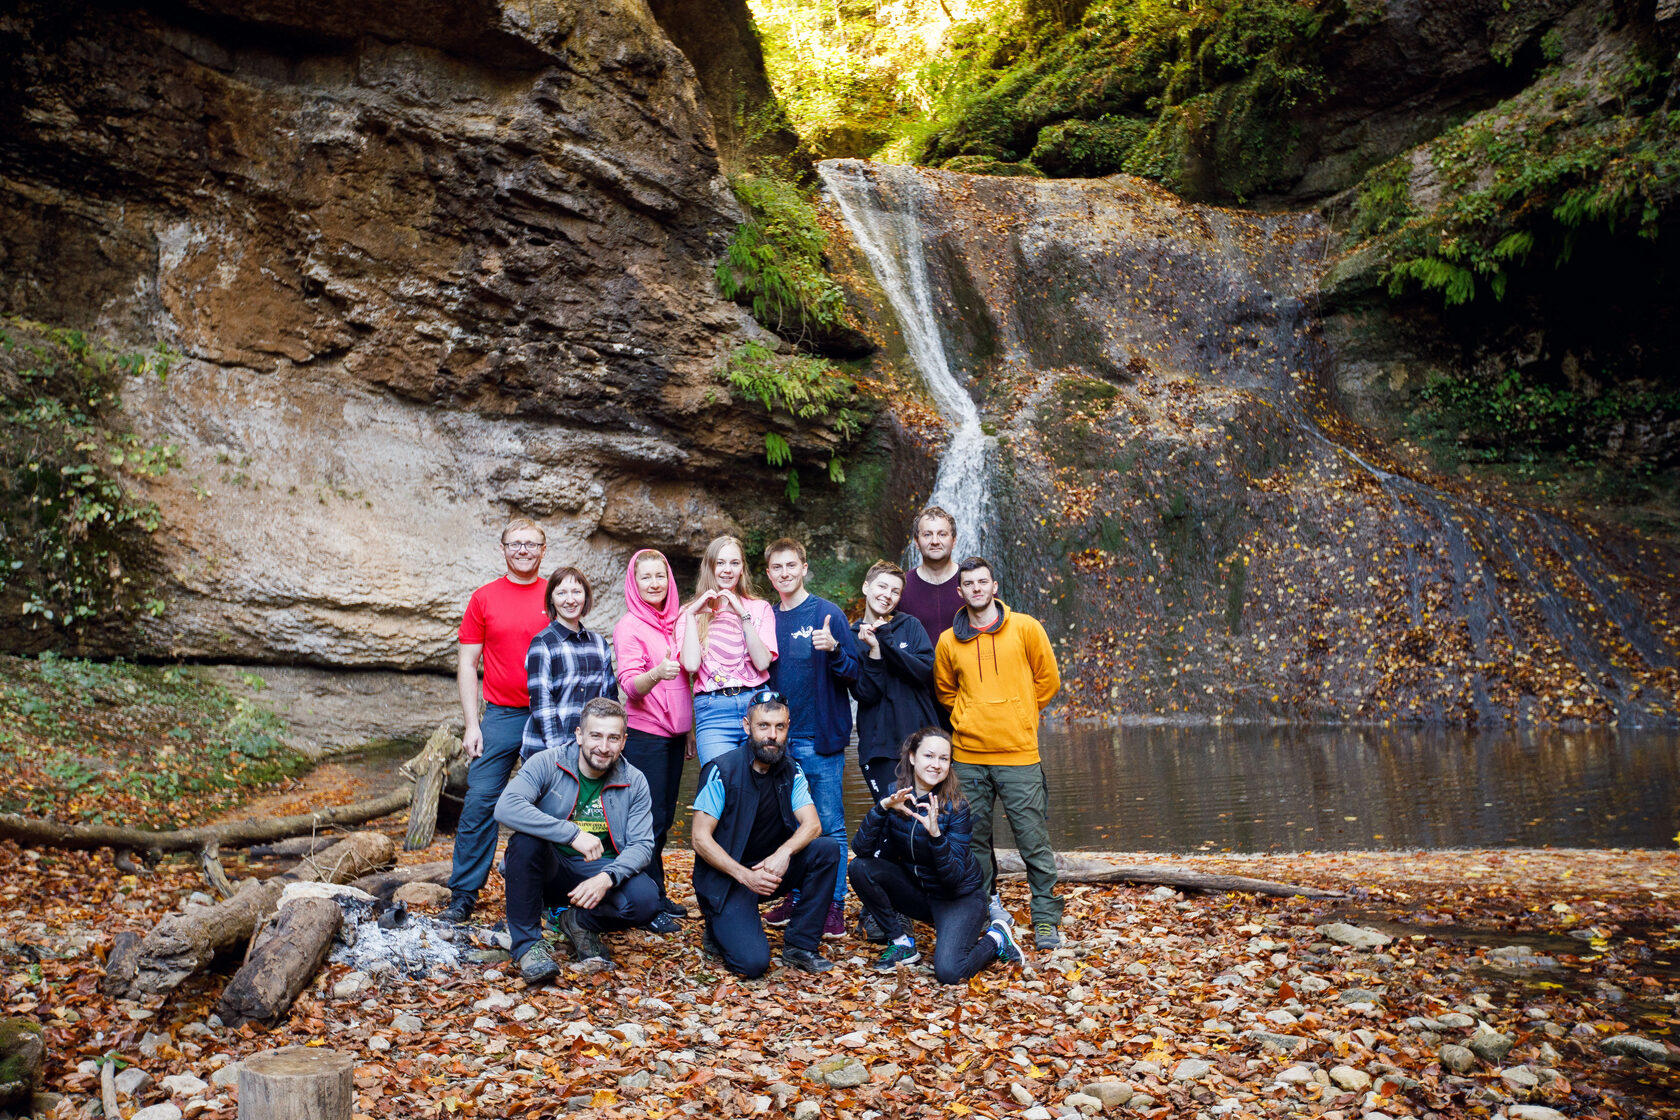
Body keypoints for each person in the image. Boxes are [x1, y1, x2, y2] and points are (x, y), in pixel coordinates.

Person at [934, 555, 1065, 951]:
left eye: (982, 582)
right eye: (969, 583)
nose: (976, 588)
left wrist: (1020, 714)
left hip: (1019, 755)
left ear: (994, 587)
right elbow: (945, 690)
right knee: (972, 842)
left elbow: (1049, 680)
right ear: (960, 592)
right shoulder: (947, 640)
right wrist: (969, 717)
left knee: (1033, 841)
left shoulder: (1026, 628)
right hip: (969, 756)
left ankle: (1045, 919)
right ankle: (986, 911)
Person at [441, 518, 555, 926]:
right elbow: (467, 664)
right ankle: (464, 894)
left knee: (553, 802)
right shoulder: (484, 598)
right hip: (502, 715)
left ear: (544, 549)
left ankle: (547, 890)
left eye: (531, 544)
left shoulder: (556, 593)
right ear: (503, 548)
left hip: (548, 715)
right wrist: (472, 724)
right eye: (515, 544)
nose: (523, 550)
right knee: (479, 802)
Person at [495, 698, 659, 981]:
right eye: (595, 735)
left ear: (624, 741)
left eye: (613, 738)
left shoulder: (635, 780)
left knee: (646, 899)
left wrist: (608, 876)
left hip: (595, 872)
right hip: (548, 867)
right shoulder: (547, 762)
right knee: (525, 841)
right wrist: (571, 834)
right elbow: (506, 807)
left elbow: (643, 845)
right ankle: (528, 946)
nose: (603, 747)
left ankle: (578, 922)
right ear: (580, 735)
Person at [849, 728, 1026, 980]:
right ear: (912, 757)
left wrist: (936, 836)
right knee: (859, 868)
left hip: (959, 898)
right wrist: (883, 807)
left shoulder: (957, 807)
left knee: (950, 972)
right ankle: (902, 943)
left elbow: (953, 877)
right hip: (921, 893)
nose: (936, 764)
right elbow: (862, 850)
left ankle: (997, 937)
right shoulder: (896, 794)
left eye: (944, 759)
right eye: (929, 756)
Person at [690, 690, 840, 977]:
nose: (772, 735)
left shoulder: (791, 769)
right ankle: (717, 924)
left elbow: (812, 825)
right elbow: (699, 838)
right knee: (753, 964)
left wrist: (784, 853)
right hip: (727, 879)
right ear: (747, 727)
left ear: (787, 727)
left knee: (826, 849)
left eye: (779, 727)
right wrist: (745, 876)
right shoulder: (721, 770)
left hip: (768, 869)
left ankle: (800, 945)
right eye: (763, 726)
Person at [762, 538, 860, 940]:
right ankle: (801, 895)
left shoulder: (827, 614)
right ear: (769, 575)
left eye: (791, 566)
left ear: (804, 567)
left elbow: (856, 676)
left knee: (831, 825)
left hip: (818, 740)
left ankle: (833, 906)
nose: (785, 573)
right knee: (793, 826)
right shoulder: (766, 617)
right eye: (777, 568)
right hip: (778, 743)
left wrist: (835, 650)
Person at [612, 548, 694, 930]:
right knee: (650, 820)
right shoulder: (629, 626)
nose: (654, 583)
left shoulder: (677, 621)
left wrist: (689, 731)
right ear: (634, 582)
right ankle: (646, 903)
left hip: (675, 735)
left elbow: (690, 681)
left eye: (659, 575)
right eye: (645, 577)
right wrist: (658, 672)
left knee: (663, 816)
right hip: (646, 734)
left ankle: (656, 892)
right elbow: (630, 686)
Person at [680, 536, 778, 765]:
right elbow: (692, 665)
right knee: (718, 781)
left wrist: (742, 615)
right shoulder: (689, 612)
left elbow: (763, 663)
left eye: (734, 563)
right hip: (713, 710)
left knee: (760, 785)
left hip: (756, 706)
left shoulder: (759, 608)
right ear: (709, 566)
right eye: (720, 563)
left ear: (742, 568)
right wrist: (691, 616)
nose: (727, 570)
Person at [850, 560, 939, 803]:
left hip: (922, 742)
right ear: (866, 587)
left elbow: (922, 671)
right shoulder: (852, 636)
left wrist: (885, 640)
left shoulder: (910, 626)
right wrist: (874, 652)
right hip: (879, 748)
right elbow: (866, 693)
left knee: (929, 818)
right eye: (882, 587)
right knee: (891, 818)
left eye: (895, 591)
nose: (887, 595)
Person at [519, 567, 617, 761]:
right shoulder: (543, 643)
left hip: (590, 753)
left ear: (585, 597)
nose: (570, 600)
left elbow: (609, 699)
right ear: (551, 600)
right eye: (561, 593)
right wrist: (562, 754)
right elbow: (542, 704)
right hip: (547, 753)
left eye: (576, 592)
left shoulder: (599, 644)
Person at [898, 506, 965, 645]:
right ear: (916, 542)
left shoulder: (973, 583)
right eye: (927, 534)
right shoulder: (900, 586)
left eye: (942, 534)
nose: (935, 541)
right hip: (916, 667)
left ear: (954, 541)